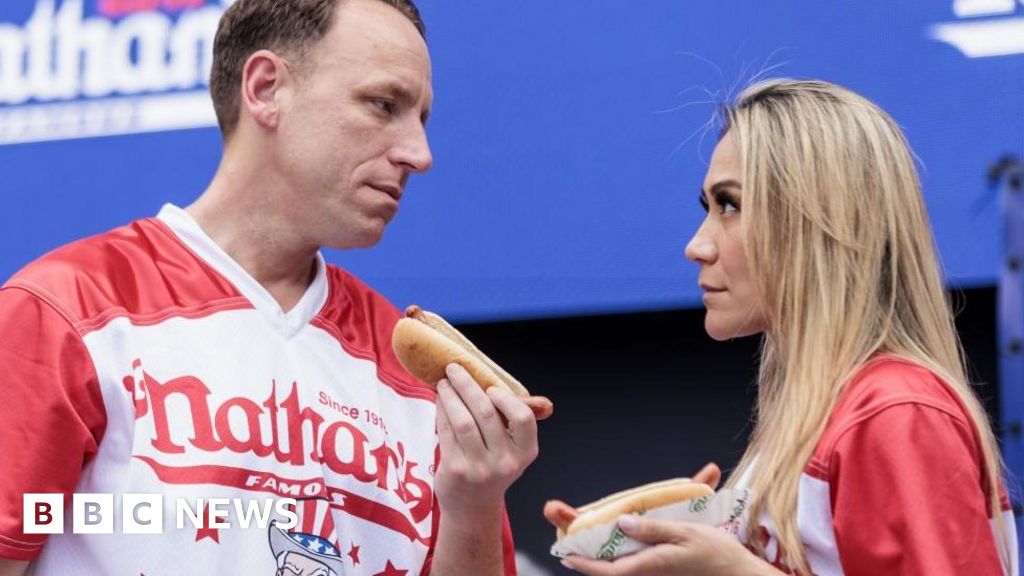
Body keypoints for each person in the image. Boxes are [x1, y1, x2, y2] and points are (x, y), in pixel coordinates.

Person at [0, 0, 551, 574]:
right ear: (265, 89)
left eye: (421, 119)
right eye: (383, 105)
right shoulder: (67, 310)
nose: (419, 154)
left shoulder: (413, 371)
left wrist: (473, 506)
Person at [547, 79, 1018, 575]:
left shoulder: (894, 410)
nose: (697, 246)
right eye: (707, 207)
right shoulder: (821, 412)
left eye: (729, 204)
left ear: (819, 220)